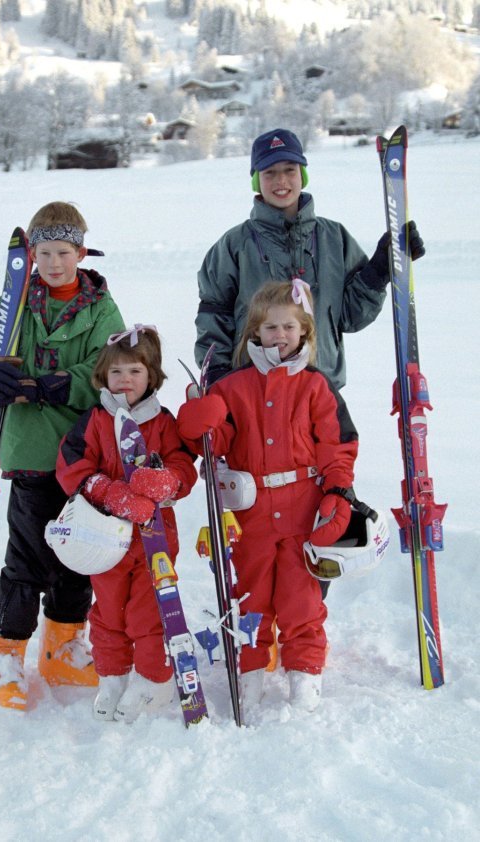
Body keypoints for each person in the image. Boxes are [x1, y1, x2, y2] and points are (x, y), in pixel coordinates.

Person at [0, 201, 125, 710]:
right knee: (28, 559)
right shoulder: (14, 304)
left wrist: (56, 384)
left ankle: (62, 645)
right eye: (44, 253)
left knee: (79, 555)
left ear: (81, 253)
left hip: (83, 455)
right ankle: (4, 653)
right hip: (29, 452)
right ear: (31, 255)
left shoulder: (100, 309)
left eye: (63, 252)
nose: (54, 263)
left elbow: (111, 367)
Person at [177, 280, 359, 715]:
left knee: (302, 597)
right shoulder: (232, 387)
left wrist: (337, 490)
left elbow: (337, 445)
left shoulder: (316, 385)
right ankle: (251, 669)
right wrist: (200, 421)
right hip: (250, 512)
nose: (280, 335)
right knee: (250, 594)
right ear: (254, 331)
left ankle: (304, 672)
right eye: (271, 327)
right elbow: (215, 444)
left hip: (303, 509)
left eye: (289, 327)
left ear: (305, 332)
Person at [194, 127, 425, 388]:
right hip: (254, 391)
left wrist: (378, 272)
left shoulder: (334, 237)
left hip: (322, 389)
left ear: (302, 175)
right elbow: (213, 317)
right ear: (257, 180)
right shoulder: (234, 245)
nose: (281, 180)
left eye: (290, 170)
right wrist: (217, 372)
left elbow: (351, 317)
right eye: (270, 173)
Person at [56, 325, 198, 723]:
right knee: (109, 612)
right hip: (105, 538)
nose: (125, 379)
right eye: (116, 371)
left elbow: (184, 464)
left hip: (155, 538)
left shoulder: (163, 422)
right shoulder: (95, 419)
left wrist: (168, 480)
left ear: (151, 375)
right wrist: (108, 491)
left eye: (135, 371)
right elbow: (71, 465)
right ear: (104, 375)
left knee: (147, 612)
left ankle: (154, 680)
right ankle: (113, 676)